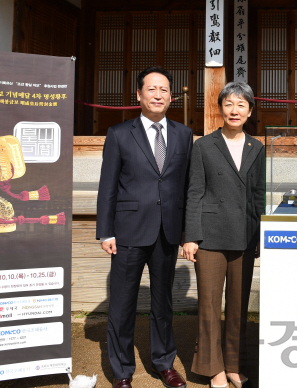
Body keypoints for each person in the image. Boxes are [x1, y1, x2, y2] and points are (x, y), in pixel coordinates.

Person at [96, 66, 192, 388]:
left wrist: (188, 232)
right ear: (138, 95)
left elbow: (188, 186)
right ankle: (122, 372)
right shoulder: (120, 134)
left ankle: (164, 364)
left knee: (163, 303)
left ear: (171, 97)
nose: (158, 95)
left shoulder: (183, 134)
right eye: (151, 89)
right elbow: (108, 186)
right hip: (128, 232)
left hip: (167, 232)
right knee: (122, 305)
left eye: (164, 90)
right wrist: (105, 231)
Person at [181, 82, 265, 388]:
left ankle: (232, 364)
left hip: (244, 236)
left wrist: (259, 237)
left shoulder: (257, 147)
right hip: (210, 238)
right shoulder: (204, 145)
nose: (234, 110)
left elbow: (258, 196)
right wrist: (191, 236)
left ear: (250, 111)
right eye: (229, 104)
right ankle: (212, 368)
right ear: (221, 108)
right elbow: (194, 193)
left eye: (241, 105)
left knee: (238, 306)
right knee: (209, 305)